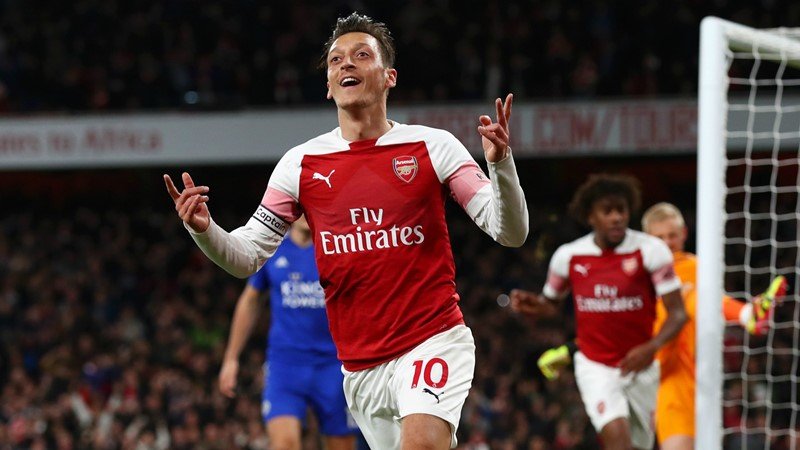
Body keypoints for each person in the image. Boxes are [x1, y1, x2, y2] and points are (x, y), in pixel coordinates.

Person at [164, 12, 528, 450]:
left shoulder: (433, 146)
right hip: (360, 367)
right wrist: (205, 230)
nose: (346, 64)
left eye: (361, 55)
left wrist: (500, 165)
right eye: (336, 60)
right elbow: (246, 257)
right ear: (328, 85)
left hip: (432, 339)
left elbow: (509, 232)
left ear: (390, 76)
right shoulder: (300, 165)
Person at [535, 202, 787, 450]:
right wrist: (571, 349)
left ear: (684, 234)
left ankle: (748, 314)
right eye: (660, 238)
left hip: (675, 374)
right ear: (648, 240)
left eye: (672, 236)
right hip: (635, 373)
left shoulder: (692, 267)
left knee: (689, 295)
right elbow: (615, 324)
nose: (667, 243)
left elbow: (696, 304)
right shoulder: (635, 272)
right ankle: (747, 313)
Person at [510, 174, 687, 450]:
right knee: (617, 436)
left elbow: (678, 313)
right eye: (608, 211)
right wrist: (535, 304)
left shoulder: (650, 251)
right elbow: (551, 303)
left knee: (638, 446)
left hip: (641, 366)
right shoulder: (569, 256)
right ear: (590, 216)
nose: (616, 217)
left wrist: (651, 348)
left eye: (621, 210)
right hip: (596, 366)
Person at [218, 215, 357, 450]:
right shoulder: (272, 249)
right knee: (284, 444)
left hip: (334, 365)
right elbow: (249, 302)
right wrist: (231, 358)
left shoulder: (338, 248)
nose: (303, 213)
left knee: (341, 446)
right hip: (285, 365)